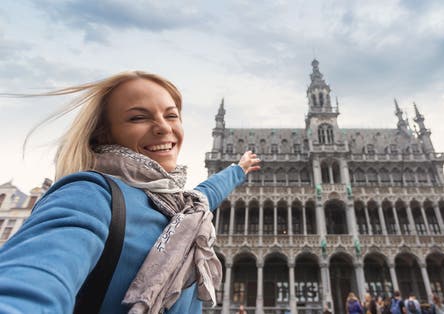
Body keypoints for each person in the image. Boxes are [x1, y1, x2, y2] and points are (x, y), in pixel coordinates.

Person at [0, 71, 261, 314]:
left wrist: (238, 170)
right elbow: (34, 279)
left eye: (171, 115)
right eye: (138, 117)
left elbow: (204, 194)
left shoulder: (180, 206)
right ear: (104, 133)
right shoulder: (89, 194)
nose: (163, 128)